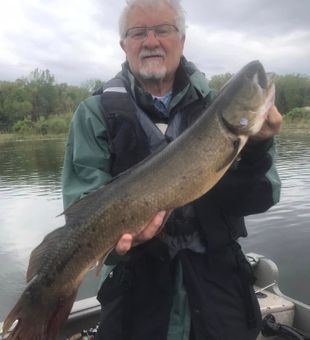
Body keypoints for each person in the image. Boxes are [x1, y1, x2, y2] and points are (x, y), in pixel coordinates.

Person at [62, 0, 282, 339]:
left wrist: (256, 149)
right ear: (124, 44)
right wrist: (122, 243)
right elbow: (82, 208)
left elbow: (262, 196)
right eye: (138, 32)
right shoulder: (94, 114)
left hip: (220, 288)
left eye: (163, 29)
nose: (151, 41)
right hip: (137, 296)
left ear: (182, 39)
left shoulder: (217, 108)